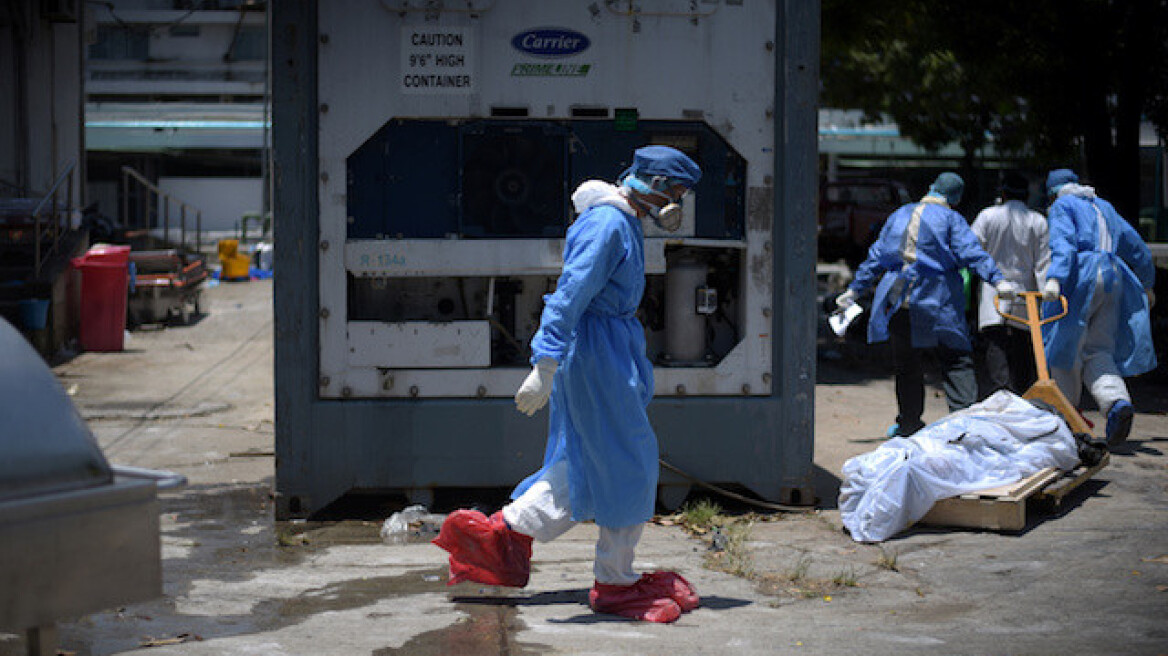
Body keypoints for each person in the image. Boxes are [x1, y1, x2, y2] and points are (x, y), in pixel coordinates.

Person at [433, 146, 702, 624]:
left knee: (583, 461)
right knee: (629, 463)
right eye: (677, 190)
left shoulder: (623, 220)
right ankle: (615, 583)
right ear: (657, 184)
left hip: (604, 350)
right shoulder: (609, 225)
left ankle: (501, 536)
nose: (678, 201)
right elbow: (569, 294)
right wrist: (546, 362)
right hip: (595, 354)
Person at [836, 172, 1013, 437]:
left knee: (907, 365)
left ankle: (908, 425)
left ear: (931, 188)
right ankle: (963, 426)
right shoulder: (951, 218)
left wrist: (853, 289)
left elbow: (877, 257)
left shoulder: (899, 214)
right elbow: (971, 252)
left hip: (898, 300)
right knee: (956, 360)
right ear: (955, 198)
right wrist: (998, 280)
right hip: (937, 299)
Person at [1040, 168, 1156, 445]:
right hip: (1114, 277)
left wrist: (1055, 277)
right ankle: (1115, 401)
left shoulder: (1062, 205)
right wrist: (1147, 283)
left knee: (1063, 351)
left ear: (1052, 192)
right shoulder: (1104, 206)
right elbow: (1137, 247)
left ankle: (1066, 421)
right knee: (1098, 349)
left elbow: (1063, 243)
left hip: (1080, 278)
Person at [970, 172, 1050, 398]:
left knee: (996, 342)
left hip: (993, 288)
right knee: (1023, 345)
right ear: (1026, 195)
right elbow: (1043, 263)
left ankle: (1001, 391)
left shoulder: (987, 216)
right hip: (1027, 291)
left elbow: (972, 251)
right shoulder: (1038, 221)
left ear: (1002, 193)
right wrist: (1046, 294)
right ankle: (1021, 394)